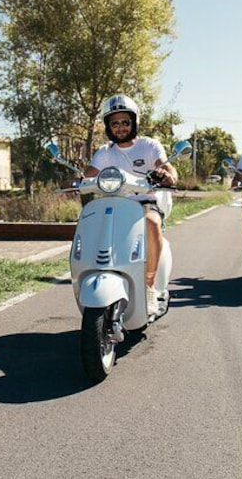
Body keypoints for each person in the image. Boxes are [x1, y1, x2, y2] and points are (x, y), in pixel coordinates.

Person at [81, 94, 178, 317]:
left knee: (152, 222)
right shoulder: (106, 152)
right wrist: (76, 181)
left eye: (125, 122)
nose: (121, 127)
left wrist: (168, 175)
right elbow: (88, 175)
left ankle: (149, 286)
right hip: (113, 204)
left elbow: (168, 169)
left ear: (134, 122)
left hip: (143, 204)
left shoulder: (148, 145)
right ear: (108, 126)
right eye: (115, 123)